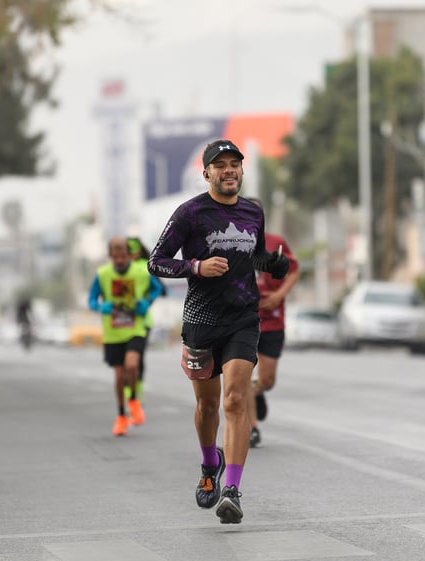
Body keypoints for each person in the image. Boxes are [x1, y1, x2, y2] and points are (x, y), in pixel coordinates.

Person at [147, 139, 290, 524]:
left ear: (242, 171)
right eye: (220, 165)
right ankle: (211, 464)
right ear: (207, 173)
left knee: (235, 401)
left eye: (235, 165)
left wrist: (272, 264)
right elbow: (155, 262)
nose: (229, 171)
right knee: (208, 406)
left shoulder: (251, 213)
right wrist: (195, 267)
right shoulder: (190, 213)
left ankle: (232, 490)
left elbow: (254, 254)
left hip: (243, 318)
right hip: (201, 321)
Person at [88, 237, 163, 437]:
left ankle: (134, 401)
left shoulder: (141, 272)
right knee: (119, 376)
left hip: (135, 328)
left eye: (124, 255)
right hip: (113, 332)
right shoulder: (103, 274)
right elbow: (91, 300)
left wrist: (146, 302)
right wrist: (101, 307)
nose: (120, 259)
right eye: (116, 255)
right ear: (110, 255)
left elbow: (157, 289)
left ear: (129, 254)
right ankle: (121, 415)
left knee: (132, 365)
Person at [245, 198, 300, 449]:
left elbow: (294, 269)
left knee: (267, 380)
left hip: (272, 321)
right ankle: (252, 428)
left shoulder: (275, 242)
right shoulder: (228, 242)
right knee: (241, 375)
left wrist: (279, 295)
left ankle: (257, 393)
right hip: (242, 320)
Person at [126, 237, 167, 402]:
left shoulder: (145, 268)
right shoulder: (119, 269)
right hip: (122, 320)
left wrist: (147, 301)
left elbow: (161, 289)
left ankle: (136, 392)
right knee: (124, 360)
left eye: (133, 250)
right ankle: (129, 390)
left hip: (142, 320)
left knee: (137, 358)